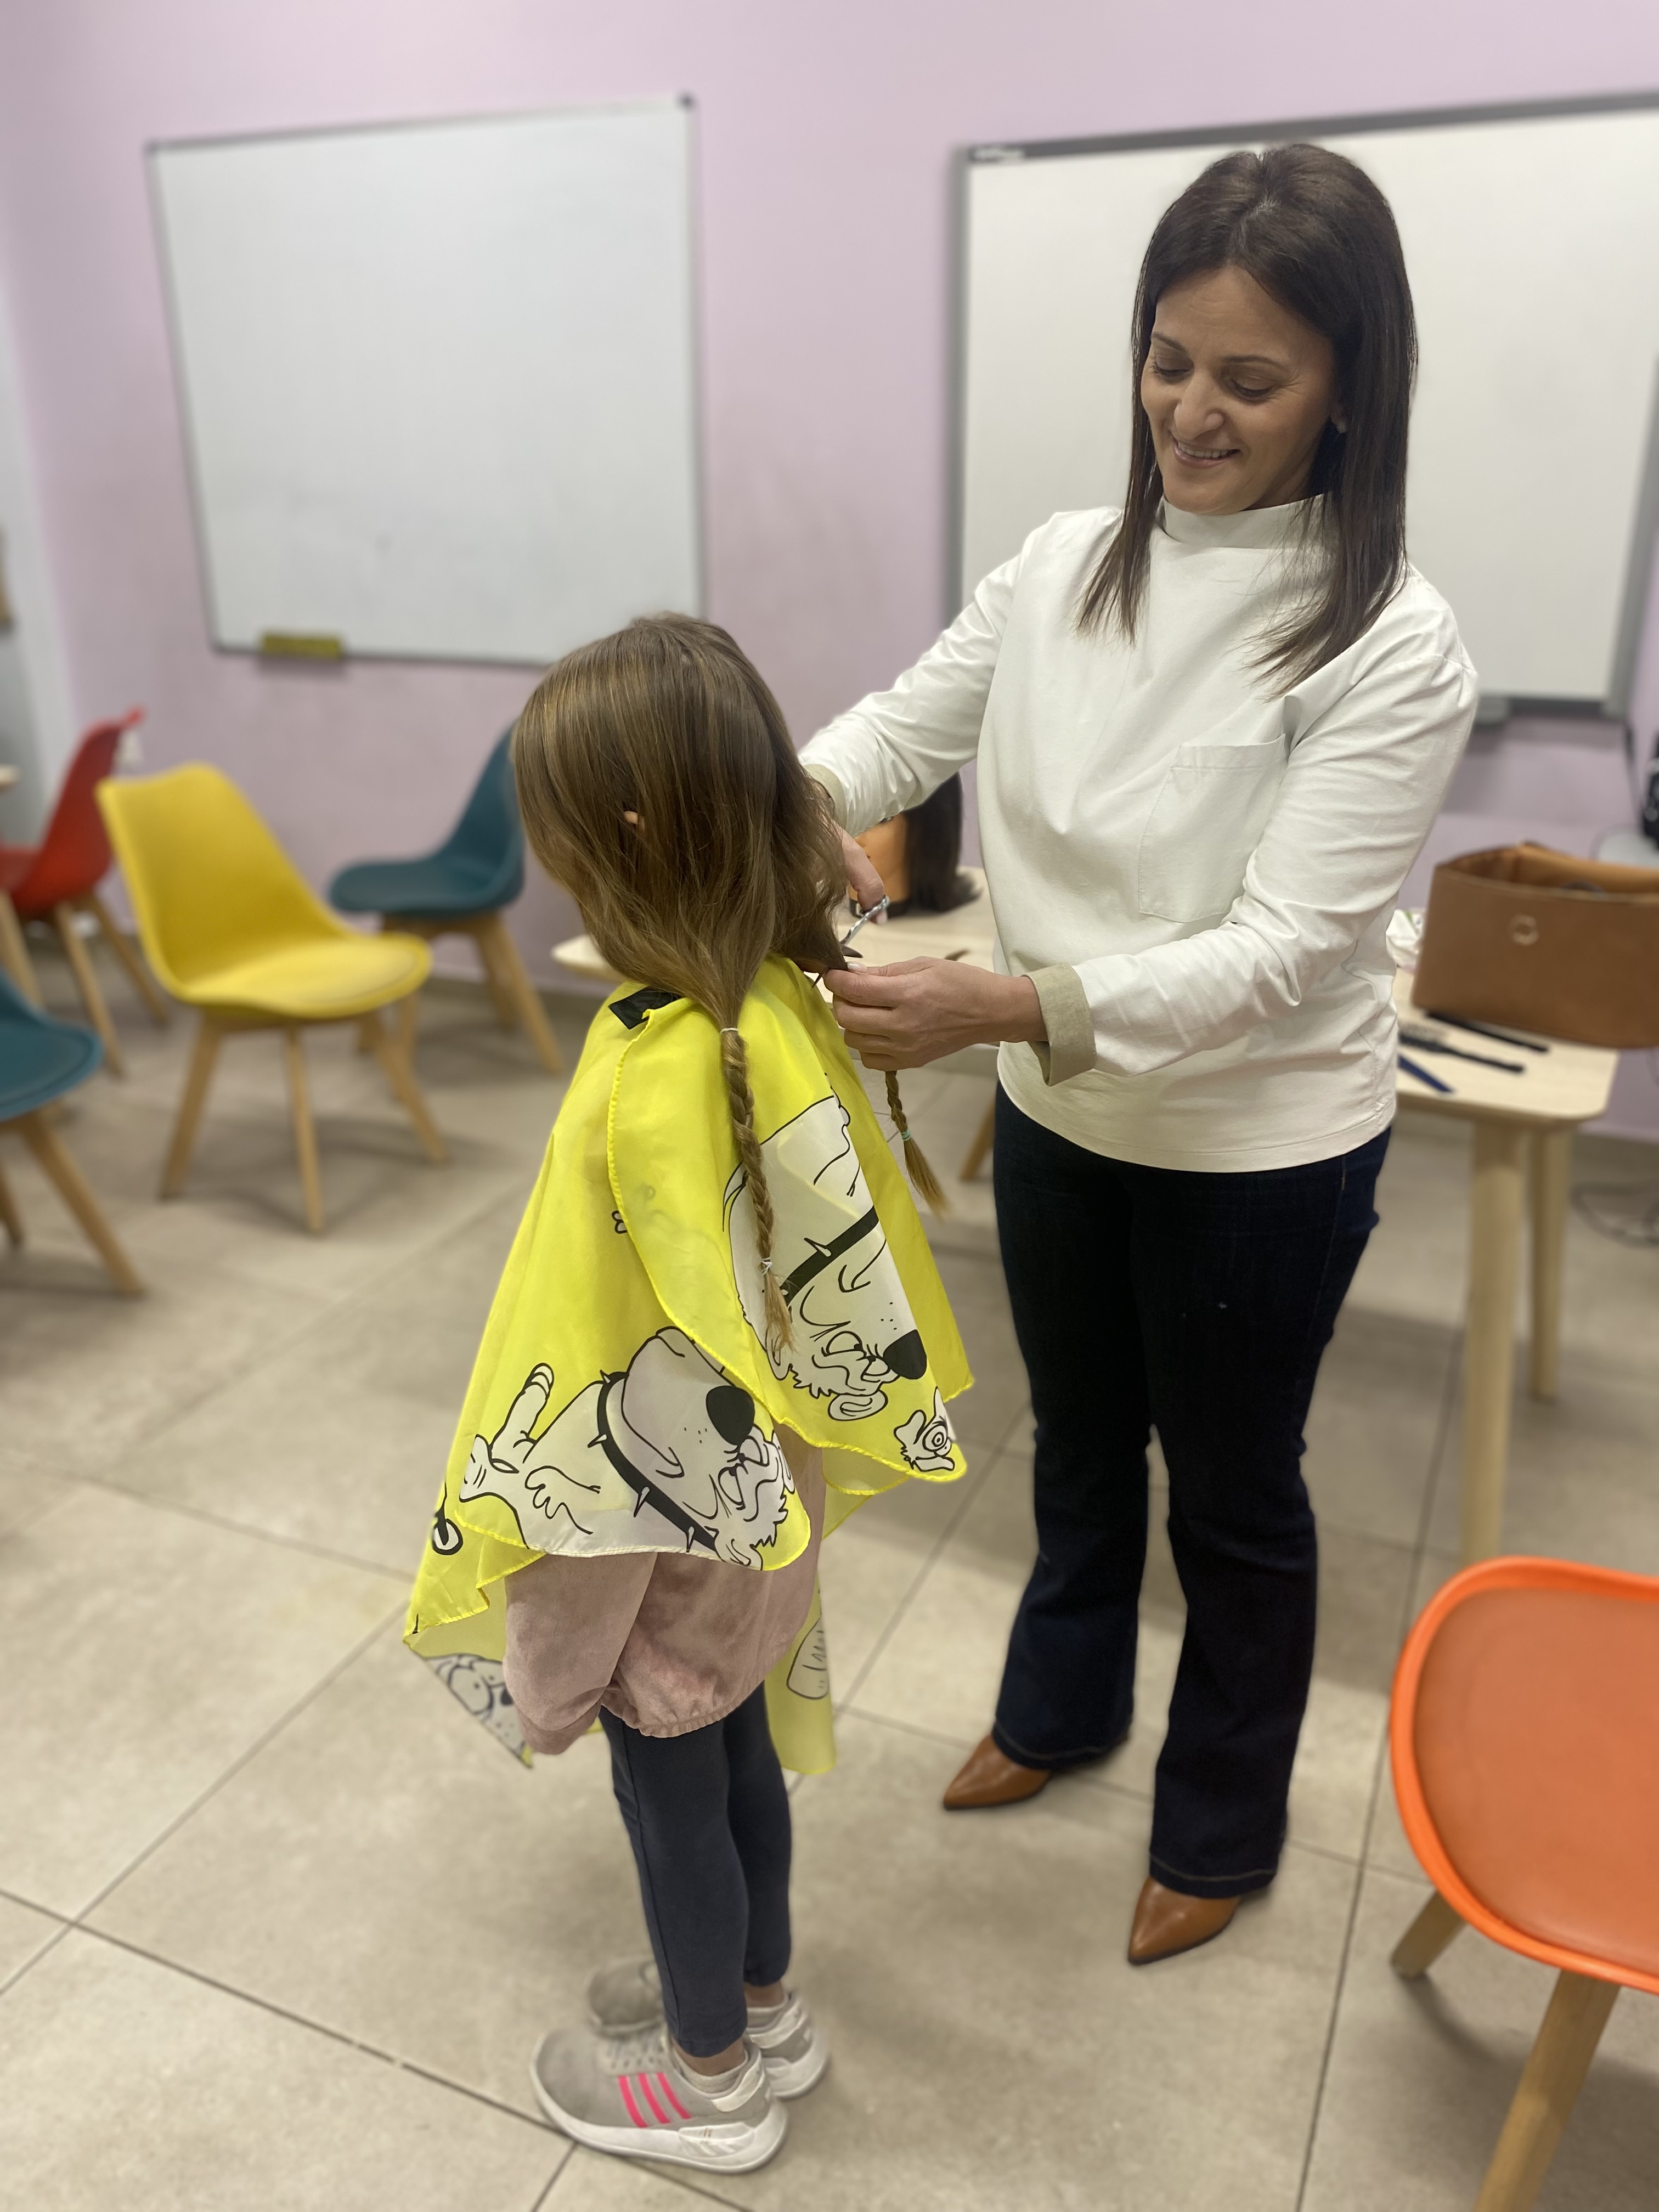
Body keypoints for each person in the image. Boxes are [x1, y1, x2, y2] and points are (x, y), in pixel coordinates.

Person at [800, 145, 1478, 1965]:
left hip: (1259, 1147)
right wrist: (765, 801)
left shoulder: (1392, 642)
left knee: (1236, 1497)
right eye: (1169, 361)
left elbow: (1282, 954)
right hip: (1061, 1113)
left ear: (1348, 390)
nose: (1191, 410)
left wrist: (1006, 1007)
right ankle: (1058, 1710)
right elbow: (893, 735)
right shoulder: (1060, 566)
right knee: (1081, 1446)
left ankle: (1225, 1825)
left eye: (1250, 379)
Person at [402, 615, 969, 2174]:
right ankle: (763, 2004)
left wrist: (560, 1642)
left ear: (628, 840)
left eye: (559, 833)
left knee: (672, 1803)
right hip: (763, 1512)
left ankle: (711, 2079)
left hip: (663, 1544)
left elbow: (591, 1411)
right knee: (742, 1761)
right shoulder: (773, 1006)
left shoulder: (651, 1074)